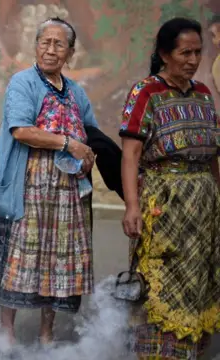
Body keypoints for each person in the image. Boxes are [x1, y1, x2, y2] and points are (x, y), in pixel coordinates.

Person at [0, 17, 98, 345]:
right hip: (28, 186)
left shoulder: (76, 91)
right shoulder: (22, 82)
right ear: (35, 46)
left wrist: (93, 153)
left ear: (70, 52)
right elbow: (21, 131)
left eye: (58, 44)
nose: (50, 50)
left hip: (66, 194)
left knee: (56, 261)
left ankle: (46, 332)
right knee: (16, 260)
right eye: (44, 42)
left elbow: (92, 134)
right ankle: (6, 332)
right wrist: (68, 143)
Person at [119, 17, 220, 359]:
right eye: (185, 52)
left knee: (199, 282)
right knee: (162, 280)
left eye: (198, 52)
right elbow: (131, 154)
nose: (193, 60)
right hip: (165, 206)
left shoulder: (204, 95)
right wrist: (132, 206)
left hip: (204, 208)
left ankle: (192, 351)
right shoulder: (146, 92)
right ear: (165, 53)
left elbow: (212, 156)